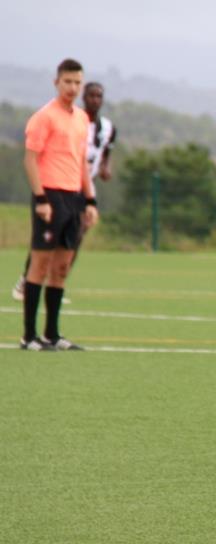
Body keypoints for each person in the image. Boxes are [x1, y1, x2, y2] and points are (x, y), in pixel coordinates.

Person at [20, 59, 99, 351]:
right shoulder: (44, 117)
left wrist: (90, 200)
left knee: (62, 266)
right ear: (57, 83)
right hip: (50, 195)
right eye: (68, 82)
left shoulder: (81, 118)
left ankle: (52, 334)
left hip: (74, 197)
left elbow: (80, 163)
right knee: (40, 264)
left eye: (78, 82)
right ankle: (29, 336)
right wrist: (40, 198)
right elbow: (30, 160)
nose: (73, 88)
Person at [13, 81, 115, 303]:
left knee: (73, 239)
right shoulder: (73, 118)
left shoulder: (107, 127)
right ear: (83, 97)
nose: (94, 100)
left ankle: (58, 281)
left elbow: (105, 152)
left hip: (84, 188)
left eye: (99, 96)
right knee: (48, 238)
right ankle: (27, 278)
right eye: (91, 95)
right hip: (62, 184)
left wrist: (105, 169)